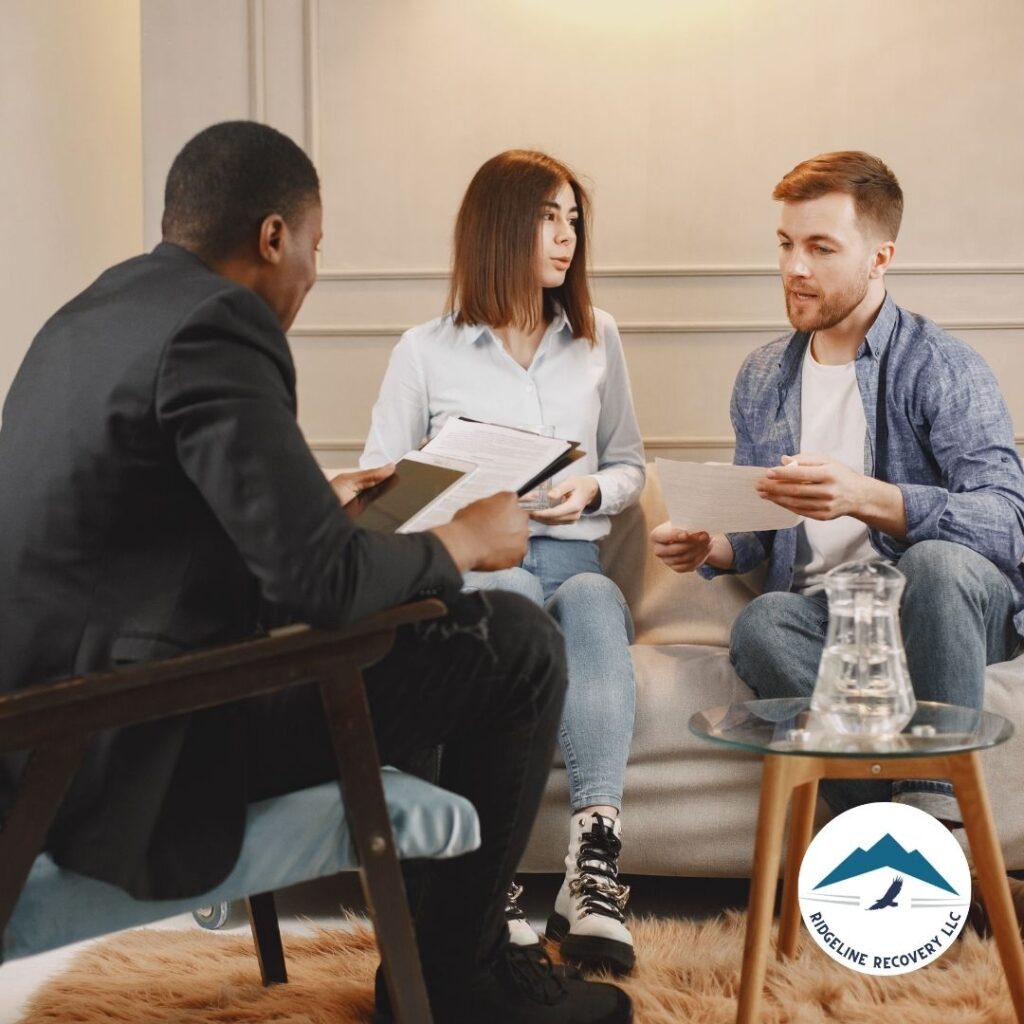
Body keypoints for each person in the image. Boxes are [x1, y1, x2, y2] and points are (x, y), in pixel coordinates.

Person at [0, 122, 632, 1024]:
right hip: (132, 751)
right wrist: (460, 538)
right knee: (516, 642)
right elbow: (323, 589)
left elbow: (143, 541)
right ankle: (464, 981)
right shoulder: (222, 326)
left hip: (46, 738)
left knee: (421, 621)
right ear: (271, 237)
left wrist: (320, 505)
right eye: (315, 249)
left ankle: (430, 950)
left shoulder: (91, 315)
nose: (311, 273)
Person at [650, 150, 1024, 925]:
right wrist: (713, 547)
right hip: (838, 618)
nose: (794, 266)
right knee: (761, 622)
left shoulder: (942, 367)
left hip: (947, 605)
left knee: (936, 561)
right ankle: (912, 844)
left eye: (820, 247)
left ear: (881, 255)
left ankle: (933, 828)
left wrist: (869, 497)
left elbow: (1006, 520)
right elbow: (764, 534)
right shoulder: (763, 377)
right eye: (786, 244)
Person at [361, 150, 644, 973]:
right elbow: (384, 492)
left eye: (574, 220)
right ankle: (492, 883)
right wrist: (467, 505)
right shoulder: (424, 350)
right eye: (548, 218)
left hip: (574, 556)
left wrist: (591, 491)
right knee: (508, 592)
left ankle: (592, 870)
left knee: (592, 599)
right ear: (499, 227)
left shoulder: (598, 338)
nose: (566, 238)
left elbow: (631, 463)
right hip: (486, 563)